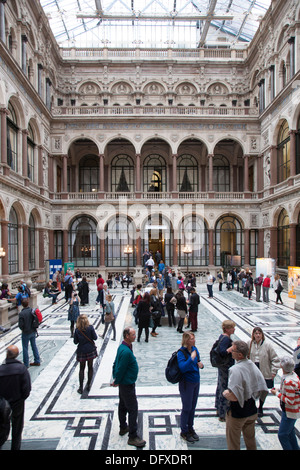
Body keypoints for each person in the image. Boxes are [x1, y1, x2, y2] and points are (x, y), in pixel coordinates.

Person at [223, 340, 268, 450]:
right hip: (252, 410)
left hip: (238, 413)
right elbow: (263, 387)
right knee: (251, 441)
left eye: (232, 350)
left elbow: (234, 396)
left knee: (233, 443)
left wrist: (225, 394)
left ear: (239, 354)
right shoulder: (252, 365)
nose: (230, 351)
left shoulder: (235, 369)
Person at [112, 328, 146, 448]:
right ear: (126, 336)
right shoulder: (126, 351)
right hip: (126, 384)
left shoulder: (122, 347)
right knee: (133, 409)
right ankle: (132, 436)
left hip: (123, 383)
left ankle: (123, 427)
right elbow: (120, 367)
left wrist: (115, 377)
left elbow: (115, 363)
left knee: (122, 405)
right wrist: (117, 380)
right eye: (133, 334)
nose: (135, 336)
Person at [0, 345, 31, 450]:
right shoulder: (21, 369)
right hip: (17, 402)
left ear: (7, 354)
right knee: (17, 428)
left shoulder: (1, 369)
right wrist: (22, 398)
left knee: (2, 425)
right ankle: (15, 447)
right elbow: (27, 388)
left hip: (2, 403)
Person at [248, 327, 280, 417]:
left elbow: (275, 359)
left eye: (259, 333)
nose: (258, 335)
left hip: (264, 370)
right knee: (253, 388)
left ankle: (261, 406)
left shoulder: (268, 345)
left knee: (264, 390)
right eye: (256, 333)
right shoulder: (249, 344)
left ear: (262, 335)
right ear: (253, 335)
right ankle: (253, 406)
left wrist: (273, 371)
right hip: (254, 369)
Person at [177, 331, 204, 442]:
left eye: (194, 338)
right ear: (187, 340)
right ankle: (184, 431)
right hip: (186, 383)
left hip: (196, 381)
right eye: (192, 338)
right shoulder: (181, 352)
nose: (194, 340)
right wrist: (191, 359)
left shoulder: (195, 349)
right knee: (187, 407)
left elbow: (199, 361)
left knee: (192, 407)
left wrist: (200, 364)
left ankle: (190, 427)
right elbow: (183, 367)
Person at [271, 356, 300, 450]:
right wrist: (280, 390)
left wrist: (277, 394)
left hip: (290, 412)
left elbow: (290, 401)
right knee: (290, 433)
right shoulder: (292, 375)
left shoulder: (289, 381)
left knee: (282, 435)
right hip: (289, 411)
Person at [215, 320, 236, 422]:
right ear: (227, 329)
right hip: (225, 367)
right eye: (232, 327)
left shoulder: (222, 336)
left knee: (220, 385)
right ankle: (223, 413)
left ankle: (219, 409)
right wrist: (232, 348)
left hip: (222, 366)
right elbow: (223, 351)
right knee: (224, 387)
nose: (234, 329)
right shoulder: (226, 339)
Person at [73, 314, 98, 394]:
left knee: (81, 368)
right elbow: (95, 338)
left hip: (82, 350)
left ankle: (80, 387)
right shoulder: (90, 328)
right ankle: (89, 385)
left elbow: (75, 342)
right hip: (90, 349)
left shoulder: (77, 330)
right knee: (90, 367)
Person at [18, 298, 41, 368]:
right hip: (33, 331)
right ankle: (37, 360)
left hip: (25, 332)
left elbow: (20, 325)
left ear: (22, 305)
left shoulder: (21, 313)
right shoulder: (32, 311)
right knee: (34, 346)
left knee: (25, 348)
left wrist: (23, 329)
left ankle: (26, 364)